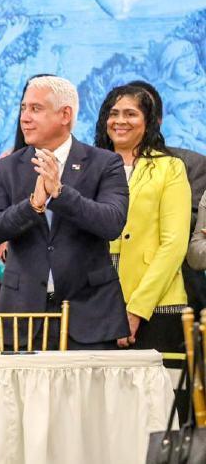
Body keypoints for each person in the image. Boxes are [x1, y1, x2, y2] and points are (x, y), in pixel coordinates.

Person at [0, 75, 130, 349]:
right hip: (23, 317)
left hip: (90, 316)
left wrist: (60, 193)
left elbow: (111, 223)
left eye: (35, 109)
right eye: (23, 108)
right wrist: (32, 206)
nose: (25, 118)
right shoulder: (5, 168)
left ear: (65, 115)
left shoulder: (105, 163)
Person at [94, 84, 190, 349]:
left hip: (158, 300)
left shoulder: (170, 167)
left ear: (149, 122)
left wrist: (137, 308)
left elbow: (174, 244)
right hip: (97, 299)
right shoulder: (89, 165)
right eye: (113, 113)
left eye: (130, 114)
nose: (120, 121)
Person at [128, 79, 206, 314]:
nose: (125, 121)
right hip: (110, 289)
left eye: (137, 113)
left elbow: (191, 228)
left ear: (157, 120)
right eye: (117, 113)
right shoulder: (99, 165)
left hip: (178, 291)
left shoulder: (191, 164)